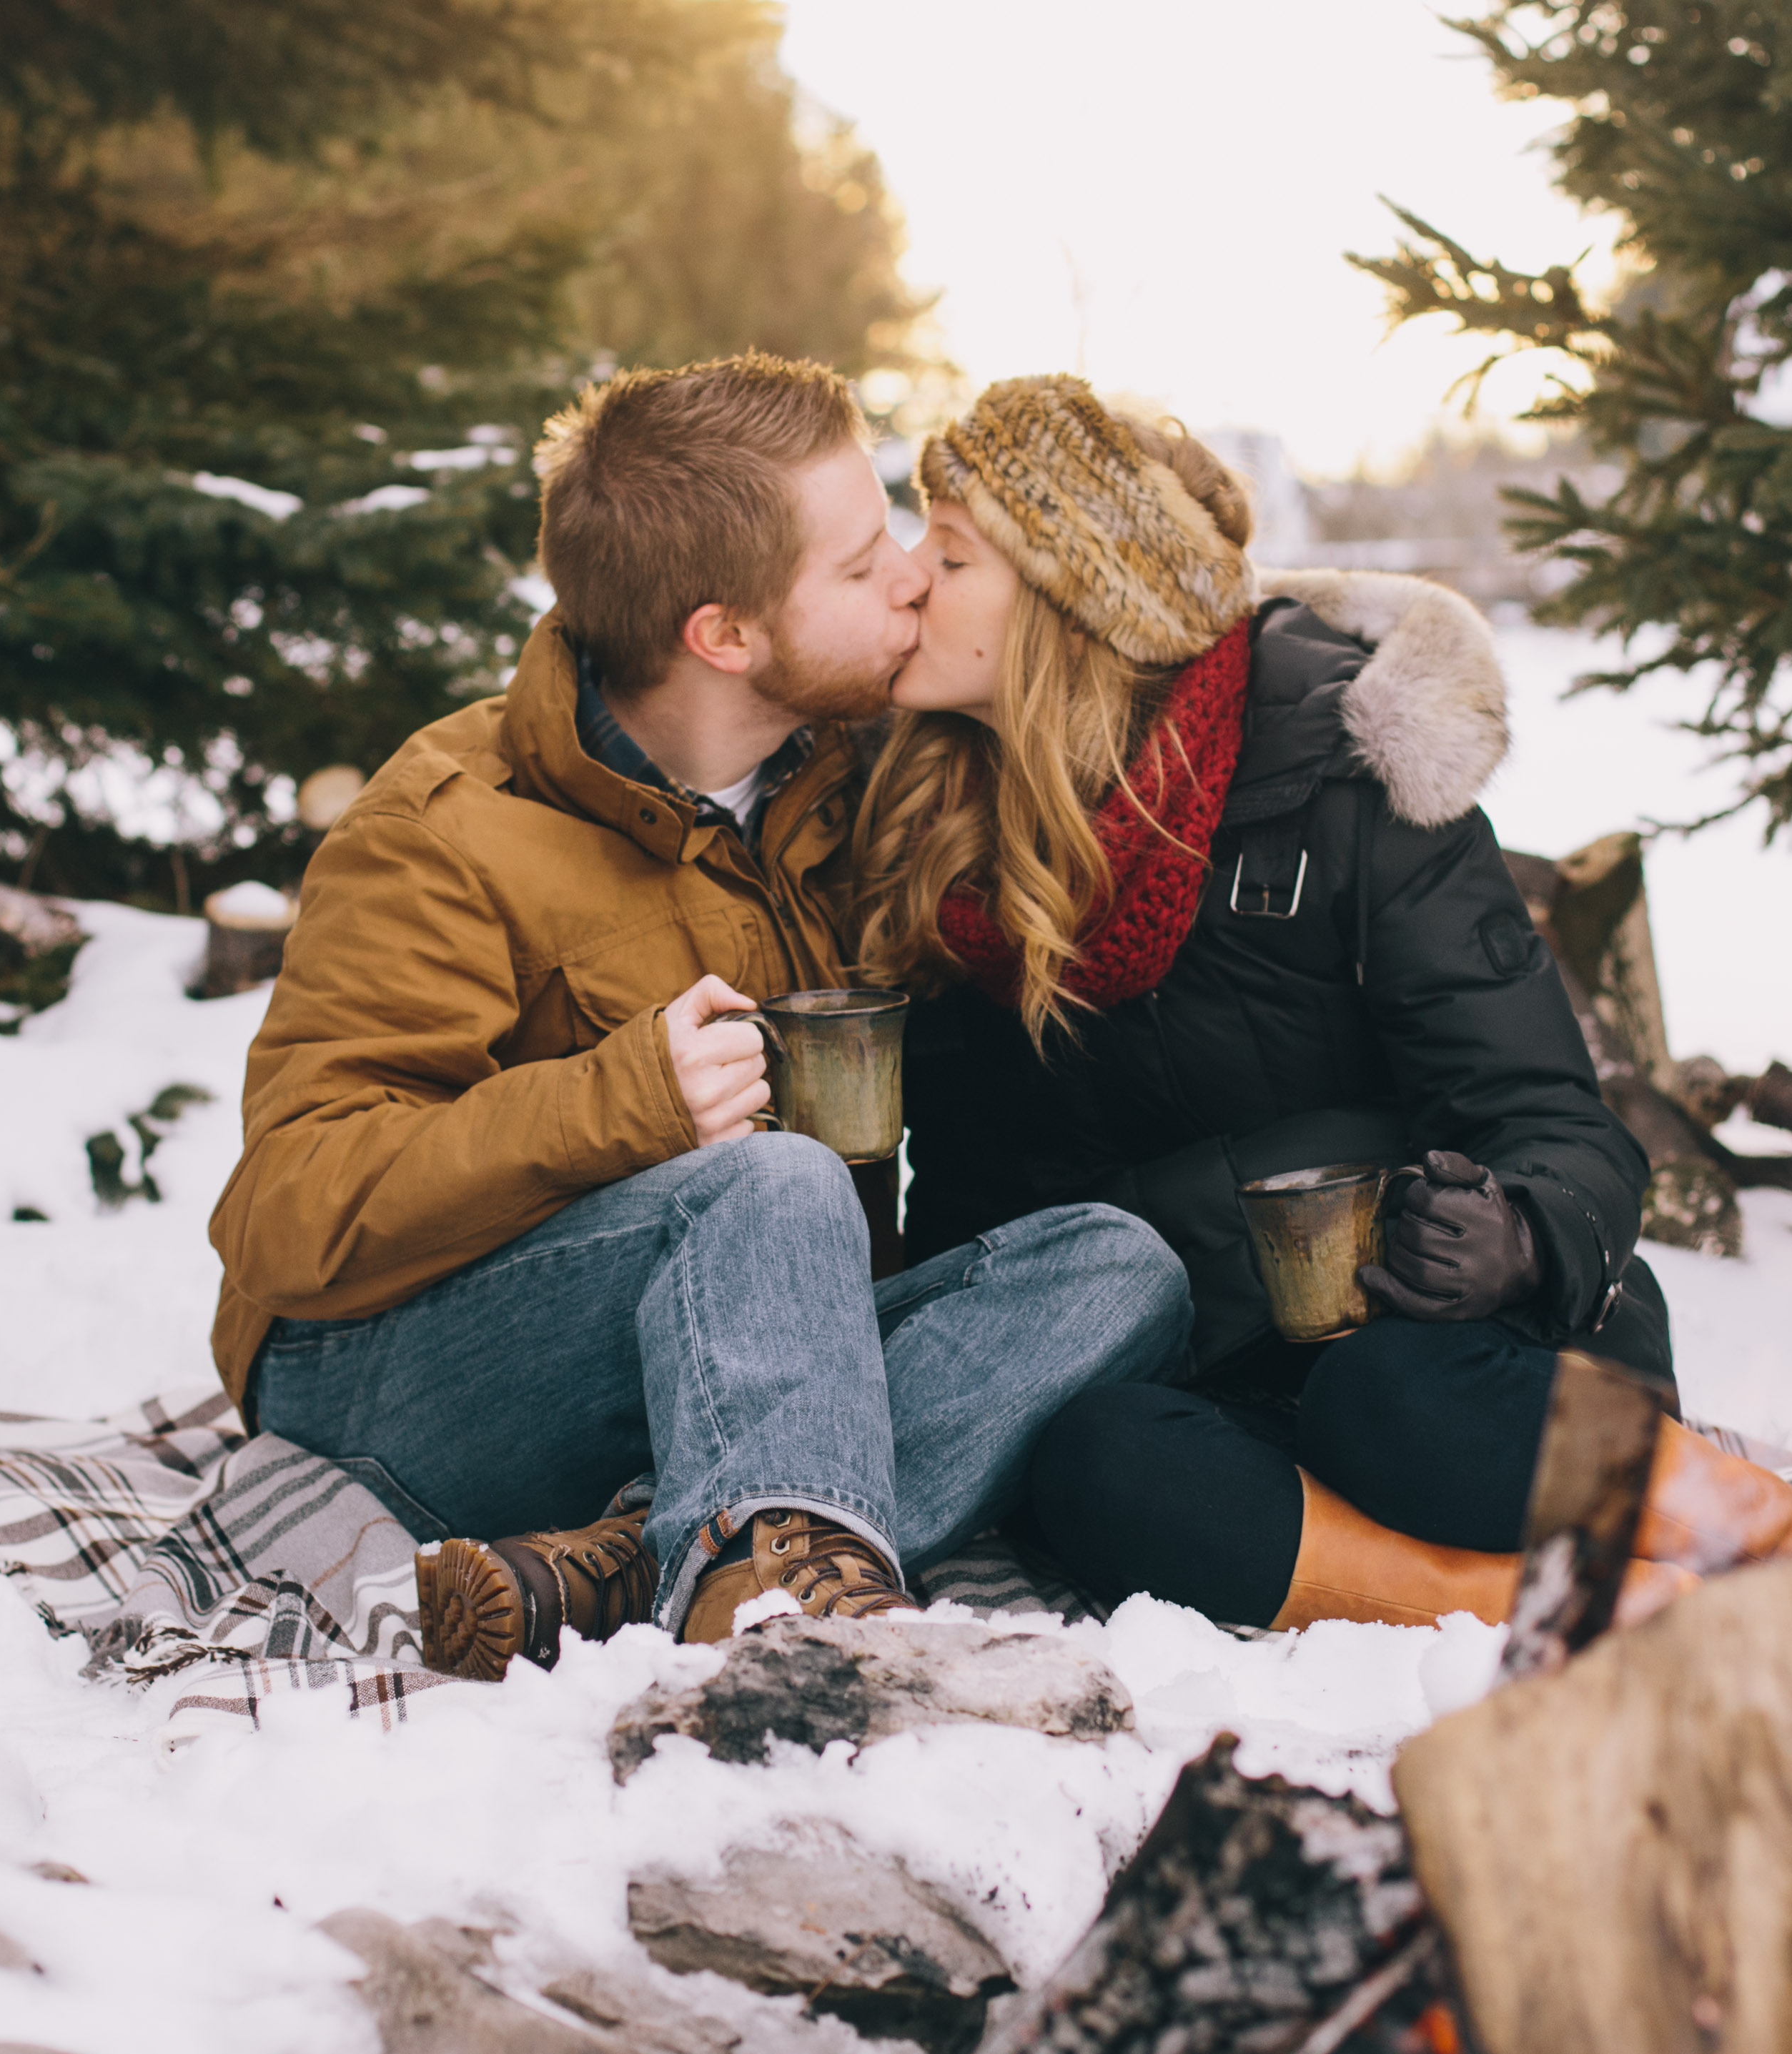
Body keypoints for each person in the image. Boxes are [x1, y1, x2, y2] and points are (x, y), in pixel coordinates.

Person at [205, 355, 1190, 1681]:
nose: (908, 575)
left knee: (1119, 1266)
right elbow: (287, 1212)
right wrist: (617, 1109)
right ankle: (786, 1632)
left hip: (726, 1336)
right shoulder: (443, 828)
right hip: (391, 1389)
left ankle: (631, 1561)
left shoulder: (841, 777)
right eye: (856, 568)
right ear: (723, 635)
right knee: (769, 1184)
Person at [853, 374, 1792, 1632]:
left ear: (1071, 601)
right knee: (1094, 1462)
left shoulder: (1337, 778)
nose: (903, 579)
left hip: (1459, 1349)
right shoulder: (936, 834)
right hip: (1210, 1376)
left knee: (1388, 1399)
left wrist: (1523, 1232)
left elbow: (1553, 1115)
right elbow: (977, 1215)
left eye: (945, 554)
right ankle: (1507, 1604)